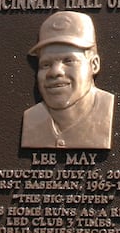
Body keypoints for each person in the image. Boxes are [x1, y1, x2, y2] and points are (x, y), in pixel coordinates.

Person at [22, 10, 114, 150]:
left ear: (94, 65)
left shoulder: (106, 113)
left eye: (69, 60)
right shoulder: (31, 120)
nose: (55, 72)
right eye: (46, 64)